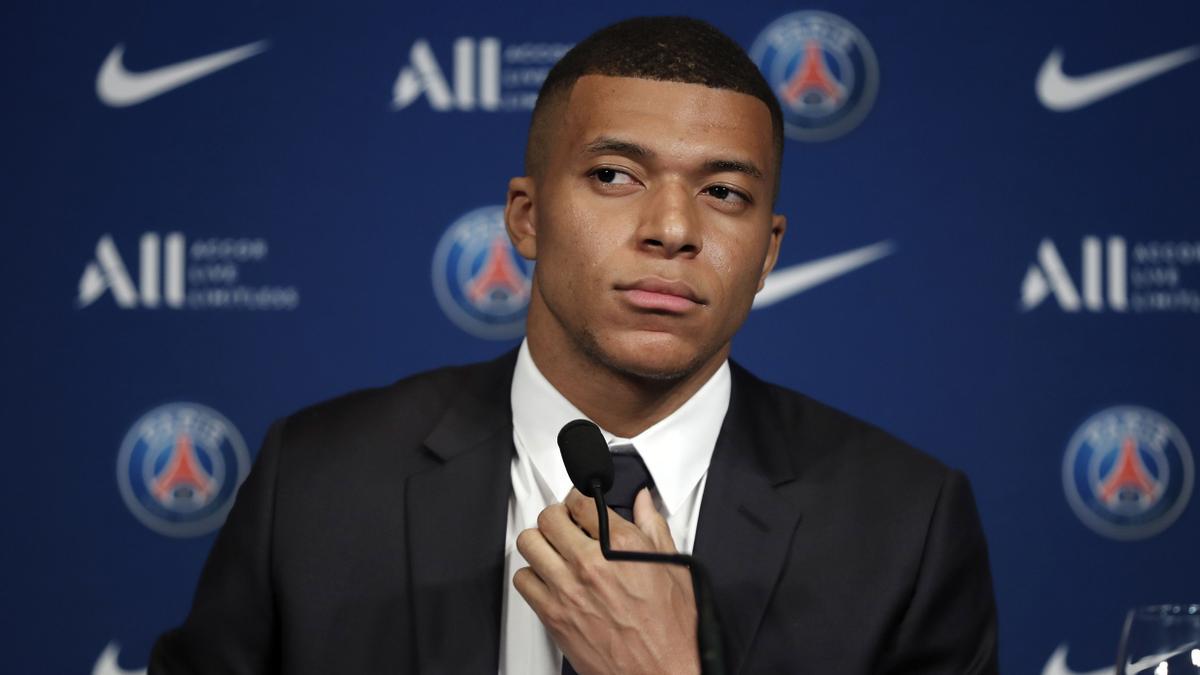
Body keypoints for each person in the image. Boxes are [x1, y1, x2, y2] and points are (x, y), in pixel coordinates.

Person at [150, 16, 999, 675]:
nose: (672, 229)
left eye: (725, 191)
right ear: (526, 215)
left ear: (769, 249)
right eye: (614, 176)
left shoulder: (905, 526)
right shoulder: (317, 481)